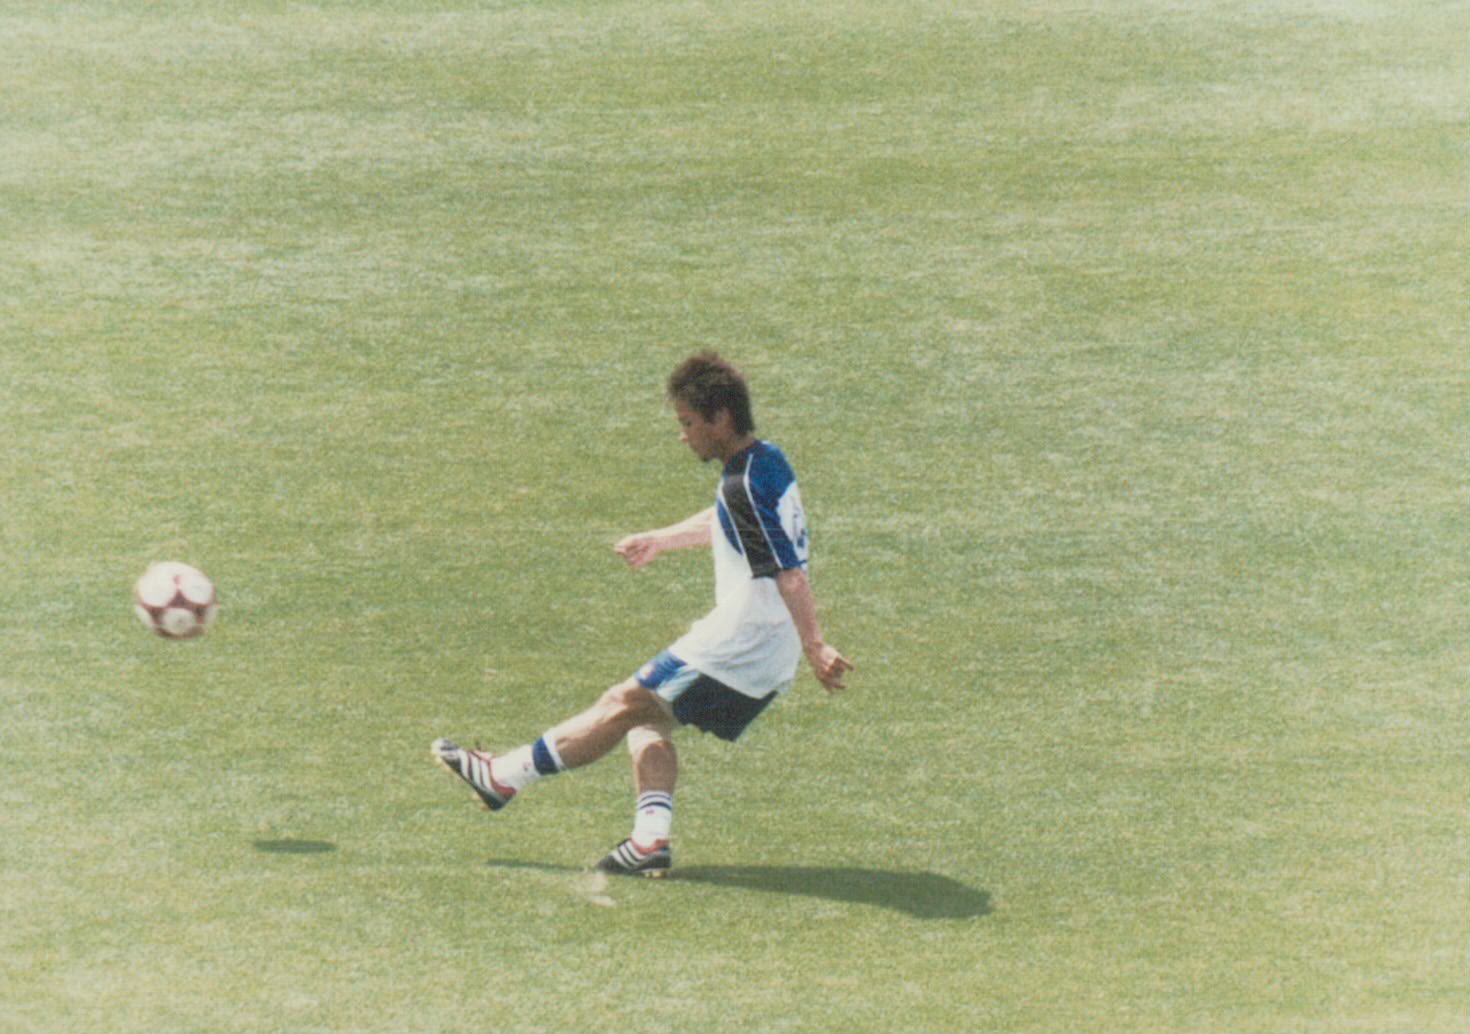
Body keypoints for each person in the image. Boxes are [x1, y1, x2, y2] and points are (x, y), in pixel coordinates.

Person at [430, 352, 852, 877]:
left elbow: (789, 573)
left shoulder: (740, 485)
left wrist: (817, 646)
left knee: (622, 703)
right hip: (762, 645)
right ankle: (649, 840)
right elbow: (730, 520)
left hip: (742, 643)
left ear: (720, 418)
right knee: (648, 719)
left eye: (688, 423)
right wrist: (661, 540)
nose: (683, 436)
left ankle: (503, 777)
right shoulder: (767, 460)